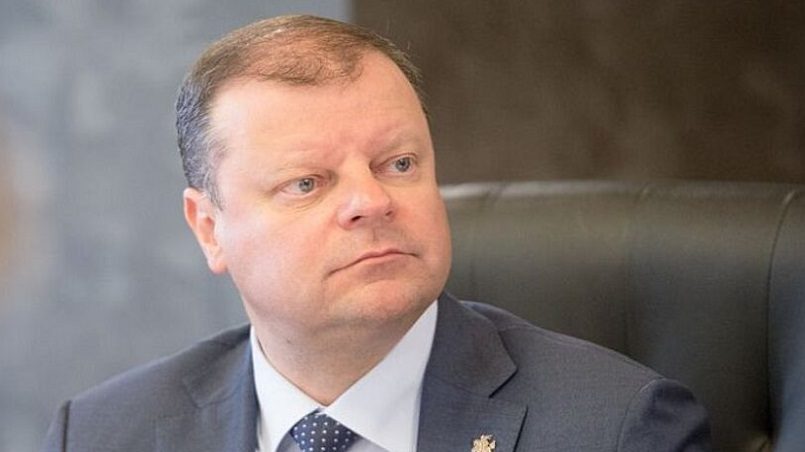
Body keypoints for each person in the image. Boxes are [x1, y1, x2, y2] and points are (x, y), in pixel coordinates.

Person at [42, 15, 711, 452]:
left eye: (399, 164)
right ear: (210, 230)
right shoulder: (102, 435)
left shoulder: (618, 428)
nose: (370, 201)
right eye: (307, 183)